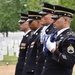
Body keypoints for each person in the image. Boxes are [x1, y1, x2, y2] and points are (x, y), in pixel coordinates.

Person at [41, 5, 75, 75]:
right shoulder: (55, 35)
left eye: (56, 19)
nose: (53, 21)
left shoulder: (69, 38)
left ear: (65, 20)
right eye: (53, 18)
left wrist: (54, 50)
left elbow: (69, 62)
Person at [22, 11, 43, 75]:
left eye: (31, 22)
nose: (28, 24)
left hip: (34, 70)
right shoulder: (33, 35)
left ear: (38, 21)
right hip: (29, 70)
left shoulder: (41, 35)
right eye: (28, 22)